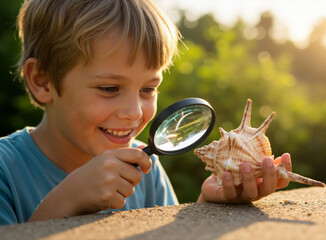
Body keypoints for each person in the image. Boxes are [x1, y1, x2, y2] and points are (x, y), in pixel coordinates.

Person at [0, 0, 291, 225]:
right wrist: (66, 201)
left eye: (148, 89)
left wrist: (209, 205)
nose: (134, 112)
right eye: (110, 89)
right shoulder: (5, 171)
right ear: (42, 81)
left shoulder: (146, 169)